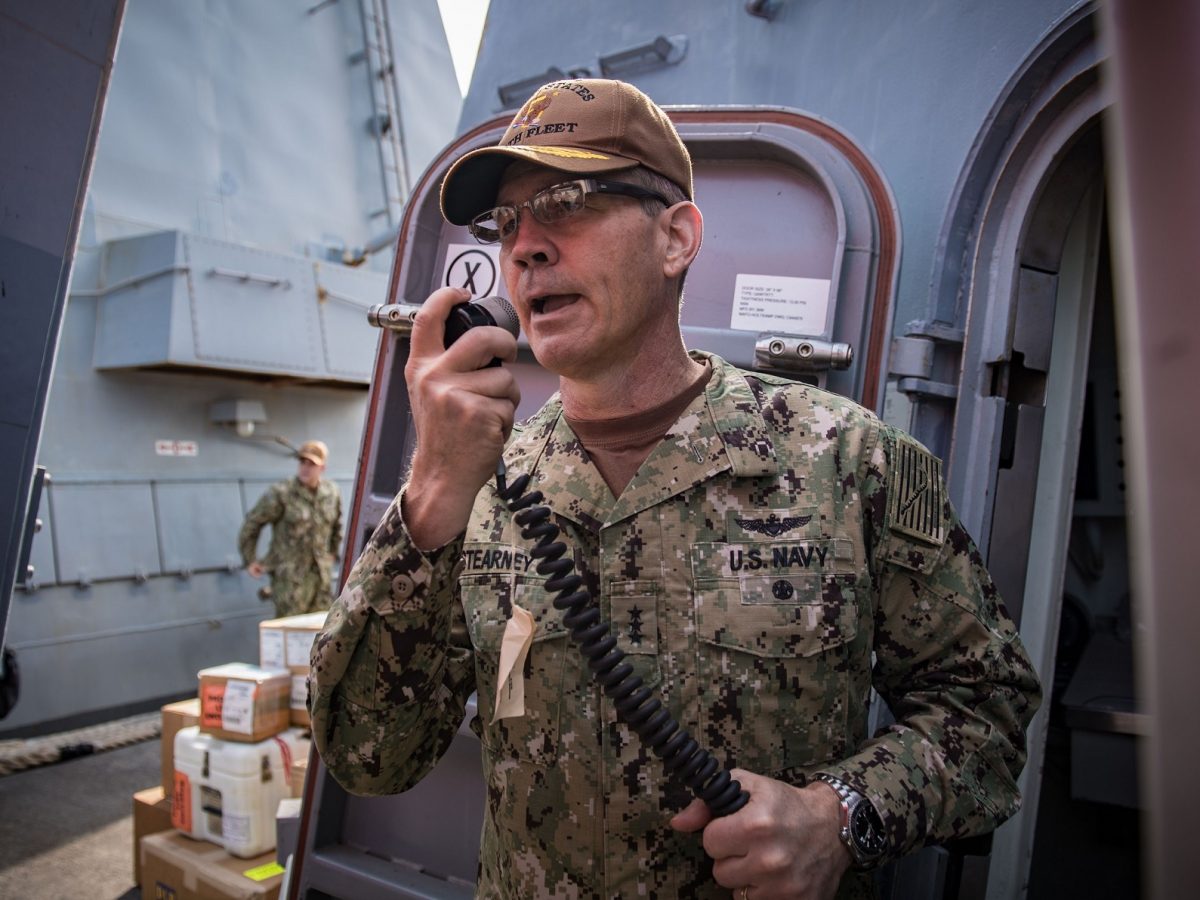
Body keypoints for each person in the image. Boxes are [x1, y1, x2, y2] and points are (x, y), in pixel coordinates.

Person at [308, 79, 1041, 899]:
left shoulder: (851, 459)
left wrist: (839, 816)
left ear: (676, 237)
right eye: (506, 222)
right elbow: (369, 754)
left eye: (566, 201)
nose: (524, 248)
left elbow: (986, 712)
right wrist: (434, 491)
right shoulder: (475, 485)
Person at [239, 440, 343, 618]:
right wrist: (250, 559)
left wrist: (332, 552)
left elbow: (337, 525)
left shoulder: (331, 492)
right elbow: (252, 523)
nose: (305, 468)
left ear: (322, 468)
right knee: (290, 632)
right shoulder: (281, 493)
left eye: (312, 464)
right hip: (290, 581)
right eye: (302, 462)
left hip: (321, 579)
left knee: (322, 633)